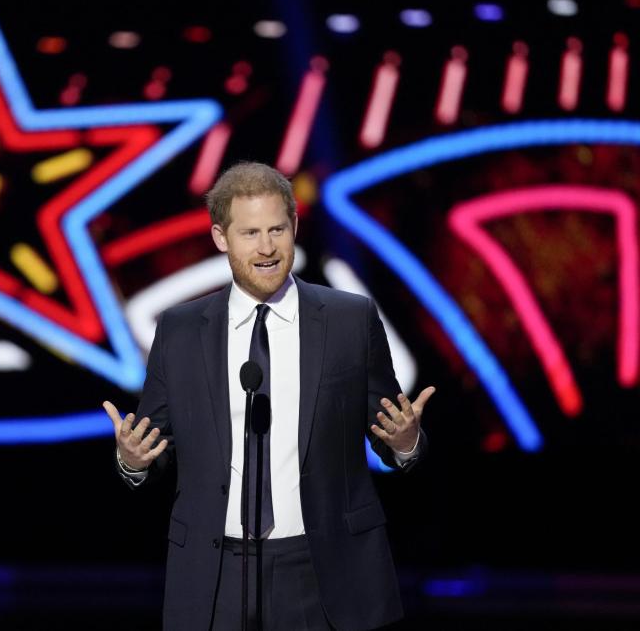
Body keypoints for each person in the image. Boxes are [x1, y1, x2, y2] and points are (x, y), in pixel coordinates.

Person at [103, 162, 433, 630]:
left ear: (294, 227)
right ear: (221, 238)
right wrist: (132, 460)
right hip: (214, 571)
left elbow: (389, 434)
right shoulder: (179, 330)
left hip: (323, 567)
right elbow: (156, 447)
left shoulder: (349, 319)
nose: (266, 248)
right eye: (250, 232)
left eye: (277, 229)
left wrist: (404, 443)